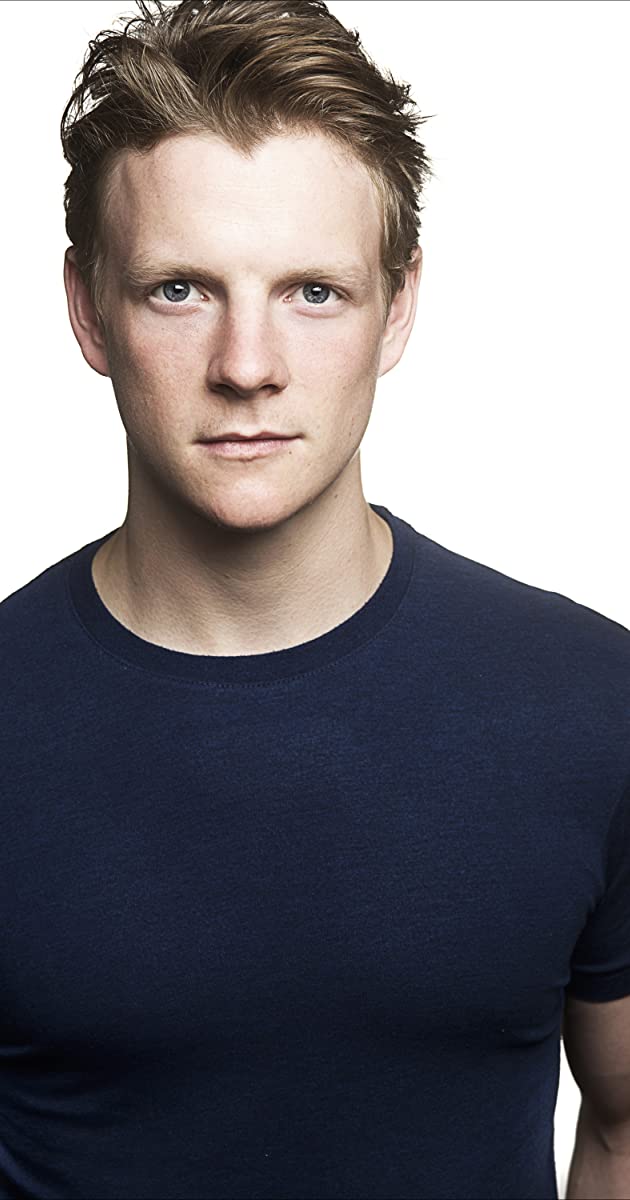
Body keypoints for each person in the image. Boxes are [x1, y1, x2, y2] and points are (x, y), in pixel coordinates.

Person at [1, 1, 629, 1197]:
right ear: (87, 310)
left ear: (399, 307)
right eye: (179, 289)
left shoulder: (595, 705)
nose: (248, 365)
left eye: (314, 292)